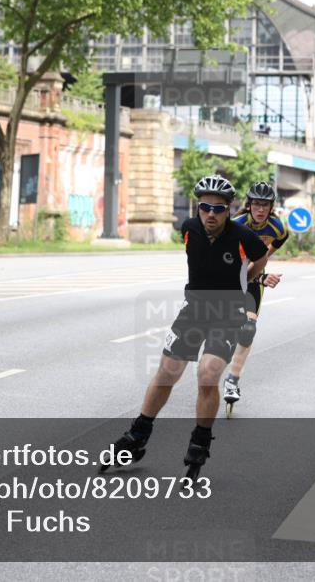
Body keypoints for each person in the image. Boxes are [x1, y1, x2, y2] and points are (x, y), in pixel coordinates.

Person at [103, 174, 268, 478]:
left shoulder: (243, 236)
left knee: (207, 373)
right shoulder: (189, 229)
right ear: (198, 207)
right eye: (205, 207)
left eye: (218, 209)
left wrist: (248, 279)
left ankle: (200, 441)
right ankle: (138, 434)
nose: (210, 214)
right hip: (193, 310)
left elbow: (261, 259)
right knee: (167, 371)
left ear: (229, 209)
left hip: (228, 312)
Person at [223, 182, 289, 411]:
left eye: (265, 205)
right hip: (230, 275)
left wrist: (263, 261)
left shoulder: (277, 227)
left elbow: (280, 240)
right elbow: (231, 264)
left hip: (253, 276)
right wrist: (260, 275)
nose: (260, 210)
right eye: (257, 204)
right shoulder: (236, 225)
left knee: (248, 329)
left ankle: (232, 380)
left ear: (271, 208)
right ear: (249, 205)